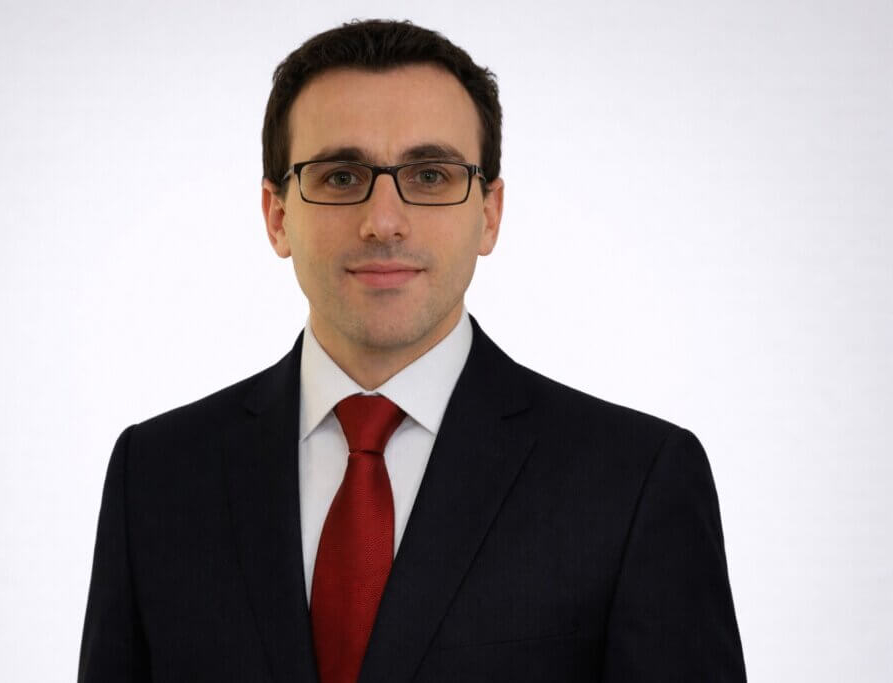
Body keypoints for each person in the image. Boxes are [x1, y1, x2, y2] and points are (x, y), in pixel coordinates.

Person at [78, 19, 747, 683]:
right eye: (341, 176)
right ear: (277, 216)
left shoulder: (635, 481)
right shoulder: (156, 476)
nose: (384, 222)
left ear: (489, 214)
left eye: (429, 175)